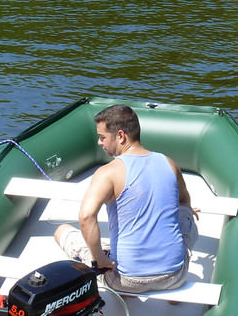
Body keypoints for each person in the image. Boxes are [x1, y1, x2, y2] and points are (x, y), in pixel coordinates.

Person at [54, 104, 198, 294]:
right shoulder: (169, 163)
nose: (99, 142)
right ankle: (173, 296)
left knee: (62, 231)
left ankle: (102, 259)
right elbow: (184, 200)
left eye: (102, 137)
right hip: (174, 276)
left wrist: (100, 259)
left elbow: (86, 217)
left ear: (121, 136)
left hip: (126, 280)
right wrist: (185, 212)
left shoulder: (108, 173)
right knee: (187, 214)